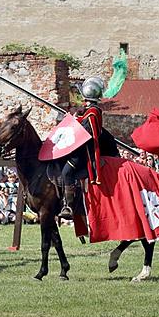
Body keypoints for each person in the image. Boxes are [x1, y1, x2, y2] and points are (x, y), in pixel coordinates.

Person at [59, 76, 104, 220]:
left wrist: (73, 121)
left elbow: (85, 132)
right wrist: (75, 117)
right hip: (81, 149)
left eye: (84, 101)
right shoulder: (91, 111)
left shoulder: (92, 113)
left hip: (84, 152)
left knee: (66, 172)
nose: (83, 103)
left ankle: (69, 207)